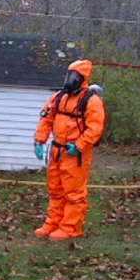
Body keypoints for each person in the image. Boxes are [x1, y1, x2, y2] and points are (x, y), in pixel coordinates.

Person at [33, 59, 105, 240]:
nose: (71, 79)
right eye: (70, 75)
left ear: (83, 78)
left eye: (76, 76)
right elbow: (46, 118)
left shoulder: (91, 100)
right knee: (55, 190)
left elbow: (95, 128)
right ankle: (53, 223)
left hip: (76, 154)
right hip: (57, 151)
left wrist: (80, 145)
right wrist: (39, 141)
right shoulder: (59, 97)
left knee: (74, 192)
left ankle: (70, 227)